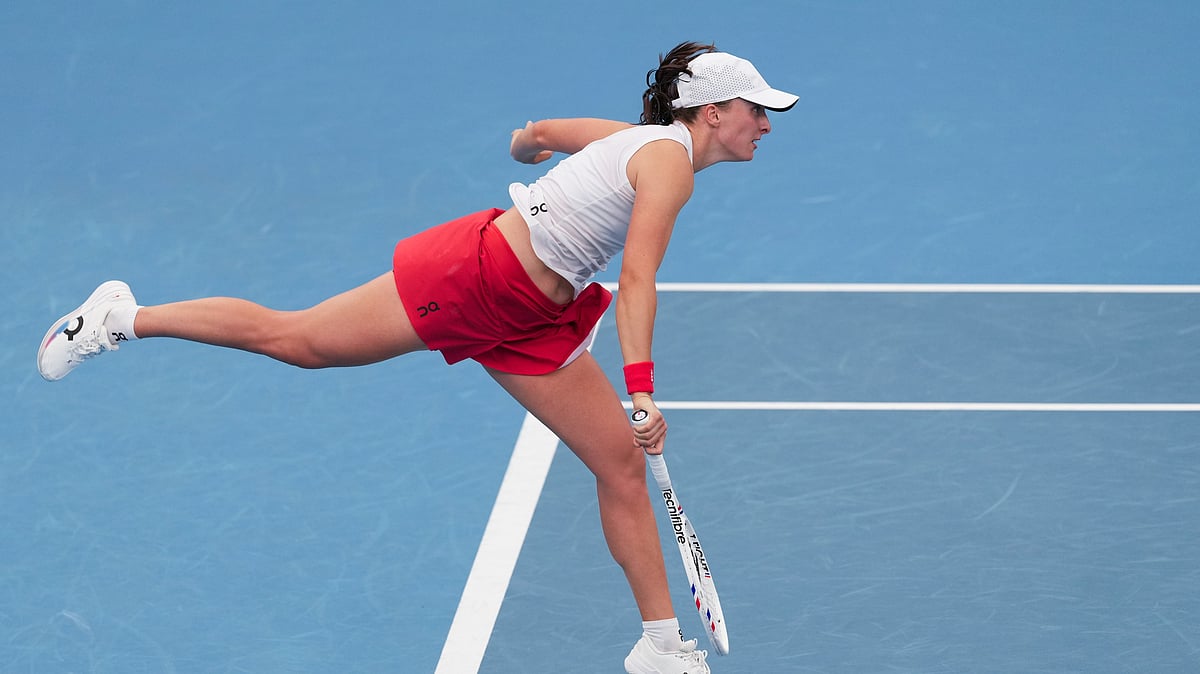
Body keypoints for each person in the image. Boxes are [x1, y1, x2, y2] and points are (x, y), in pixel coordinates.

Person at [36, 41, 797, 674]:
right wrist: (642, 391)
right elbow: (636, 278)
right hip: (474, 280)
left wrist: (527, 136)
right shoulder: (666, 164)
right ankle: (120, 316)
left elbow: (567, 133)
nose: (766, 124)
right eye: (757, 110)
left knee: (619, 465)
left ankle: (660, 647)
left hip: (536, 316)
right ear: (713, 111)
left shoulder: (651, 144)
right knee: (298, 341)